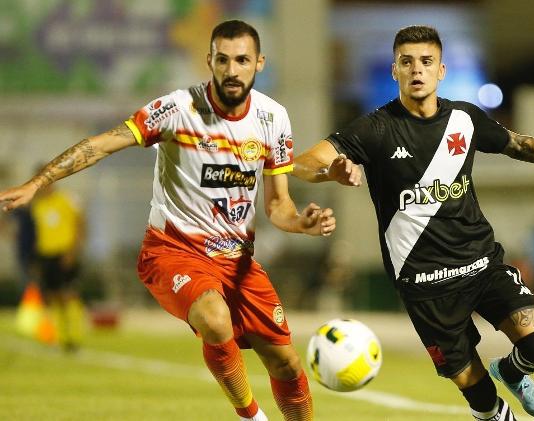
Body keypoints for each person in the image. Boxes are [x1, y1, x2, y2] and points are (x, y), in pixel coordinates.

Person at [0, 20, 335, 421]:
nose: (232, 70)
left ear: (259, 63)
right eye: (223, 59)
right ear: (209, 60)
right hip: (174, 251)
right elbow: (104, 143)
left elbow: (279, 205)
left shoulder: (273, 118)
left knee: (286, 364)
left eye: (242, 60)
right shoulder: (178, 109)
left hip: (238, 262)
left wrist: (302, 222)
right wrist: (39, 182)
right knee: (215, 318)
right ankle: (252, 416)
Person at [293, 26, 534, 421]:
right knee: (482, 400)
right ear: (395, 70)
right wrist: (333, 170)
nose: (417, 70)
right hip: (425, 284)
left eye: (427, 61)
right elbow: (302, 163)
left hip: (481, 262)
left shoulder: (463, 119)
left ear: (441, 70)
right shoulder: (375, 129)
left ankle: (512, 372)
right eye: (407, 62)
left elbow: (518, 144)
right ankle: (494, 410)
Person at [30, 182, 86, 352]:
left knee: (69, 294)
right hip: (46, 255)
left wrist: (74, 250)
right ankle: (62, 338)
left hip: (64, 253)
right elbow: (37, 232)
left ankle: (75, 337)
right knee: (53, 295)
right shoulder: (37, 205)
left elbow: (81, 223)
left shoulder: (67, 199)